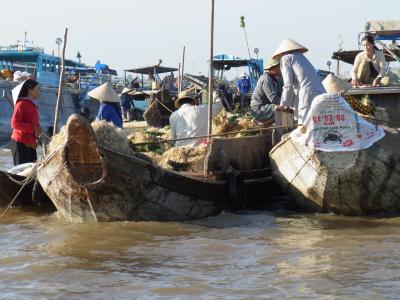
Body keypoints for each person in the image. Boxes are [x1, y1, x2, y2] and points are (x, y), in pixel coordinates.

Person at [272, 38, 326, 124]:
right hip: (321, 94)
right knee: (319, 125)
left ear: (282, 53)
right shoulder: (302, 58)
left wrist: (284, 106)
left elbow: (288, 85)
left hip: (307, 95)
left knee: (304, 128)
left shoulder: (286, 58)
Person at [10, 79, 42, 166]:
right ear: (30, 90)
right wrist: (32, 128)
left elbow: (32, 120)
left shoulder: (32, 104)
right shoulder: (22, 104)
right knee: (21, 173)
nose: (39, 91)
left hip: (30, 143)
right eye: (38, 88)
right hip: (20, 142)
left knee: (32, 171)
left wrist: (38, 127)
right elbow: (14, 123)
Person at [250, 58, 284, 124]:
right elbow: (274, 99)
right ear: (273, 68)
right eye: (280, 67)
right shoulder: (266, 79)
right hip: (259, 110)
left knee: (285, 109)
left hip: (265, 108)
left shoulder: (274, 79)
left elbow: (280, 94)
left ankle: (264, 124)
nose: (281, 69)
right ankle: (263, 124)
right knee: (283, 109)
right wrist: (288, 103)